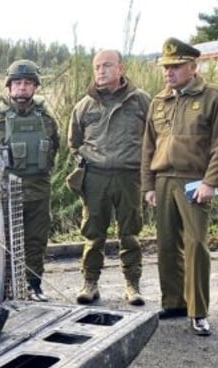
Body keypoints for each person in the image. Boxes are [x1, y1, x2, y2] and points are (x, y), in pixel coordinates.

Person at [141, 38, 218, 336]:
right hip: (164, 180)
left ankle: (198, 310)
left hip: (195, 181)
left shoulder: (213, 97)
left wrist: (211, 182)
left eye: (176, 67)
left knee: (195, 245)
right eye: (166, 67)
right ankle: (174, 302)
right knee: (167, 245)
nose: (169, 72)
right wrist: (149, 185)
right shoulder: (159, 101)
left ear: (193, 67)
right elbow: (148, 147)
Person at [68, 49, 151, 306]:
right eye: (97, 67)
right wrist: (87, 163)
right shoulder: (84, 106)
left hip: (130, 177)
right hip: (96, 178)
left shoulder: (141, 102)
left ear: (121, 68)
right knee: (94, 234)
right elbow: (74, 142)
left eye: (107, 65)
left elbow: (154, 138)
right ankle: (90, 283)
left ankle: (132, 285)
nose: (101, 71)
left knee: (130, 233)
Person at [0, 59, 60, 302]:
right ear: (9, 87)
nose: (22, 88)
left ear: (35, 87)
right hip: (3, 192)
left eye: (28, 83)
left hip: (38, 190)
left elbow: (55, 148)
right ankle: (3, 288)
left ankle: (33, 286)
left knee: (36, 241)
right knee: (2, 243)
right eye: (18, 83)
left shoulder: (47, 120)